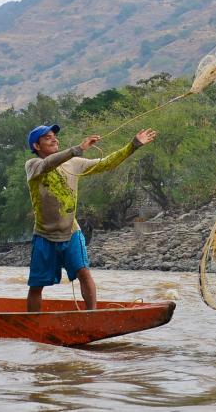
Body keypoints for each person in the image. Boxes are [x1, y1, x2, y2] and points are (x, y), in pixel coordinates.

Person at [25, 124, 156, 312]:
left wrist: (133, 145)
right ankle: (32, 323)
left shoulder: (74, 163)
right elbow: (48, 164)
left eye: (54, 136)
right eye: (47, 138)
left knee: (84, 273)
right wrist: (78, 149)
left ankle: (91, 315)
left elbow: (106, 163)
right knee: (37, 285)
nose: (54, 139)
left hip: (71, 231)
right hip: (44, 235)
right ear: (36, 146)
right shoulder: (33, 166)